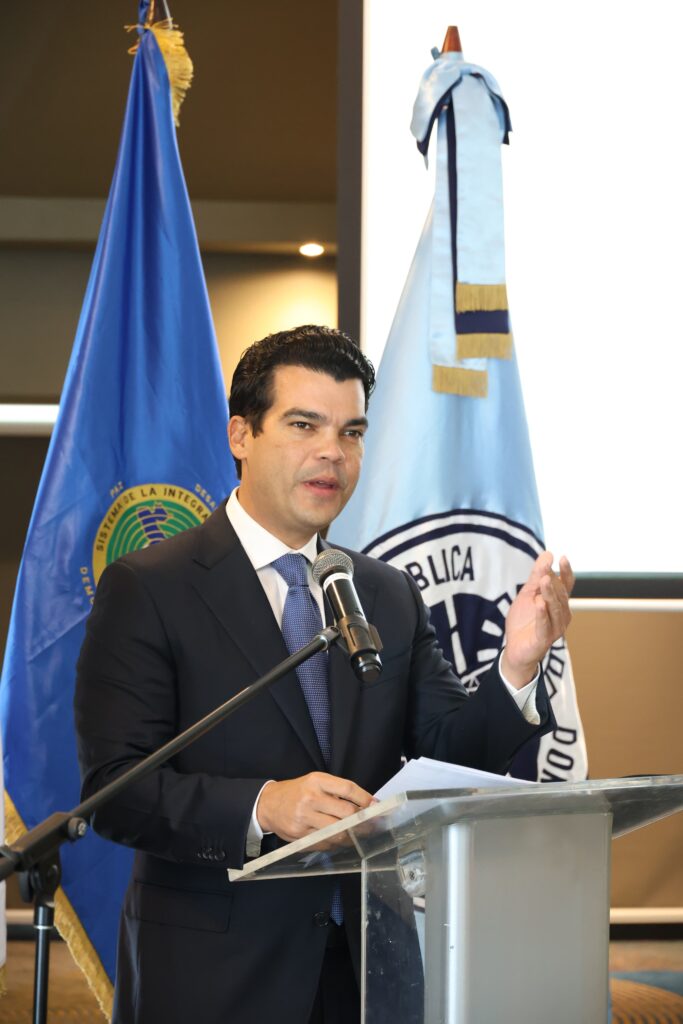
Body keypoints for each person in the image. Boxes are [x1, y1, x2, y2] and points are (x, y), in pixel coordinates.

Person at [74, 325, 573, 1024]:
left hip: (366, 964)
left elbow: (445, 752)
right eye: (304, 425)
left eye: (351, 432)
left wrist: (516, 666)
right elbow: (114, 792)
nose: (331, 453)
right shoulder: (150, 586)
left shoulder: (386, 594)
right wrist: (262, 806)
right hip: (215, 973)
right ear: (240, 434)